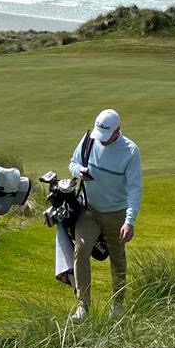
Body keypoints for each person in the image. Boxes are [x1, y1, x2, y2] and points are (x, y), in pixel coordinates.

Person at [66, 107, 142, 320]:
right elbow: (73, 163)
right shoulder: (89, 140)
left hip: (116, 213)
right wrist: (80, 171)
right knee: (81, 250)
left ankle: (117, 305)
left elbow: (135, 189)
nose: (101, 140)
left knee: (117, 258)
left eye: (106, 135)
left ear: (117, 131)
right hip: (89, 210)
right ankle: (83, 306)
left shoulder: (130, 151)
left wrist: (129, 221)